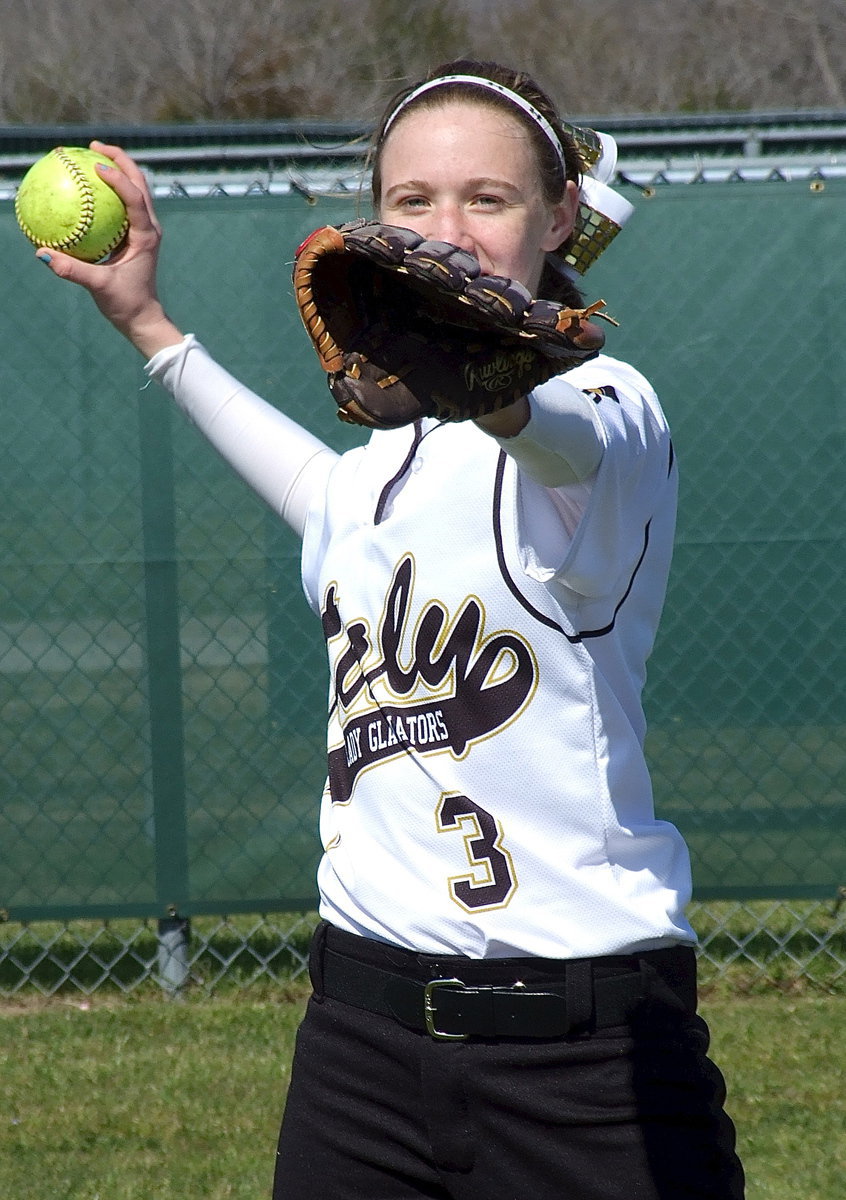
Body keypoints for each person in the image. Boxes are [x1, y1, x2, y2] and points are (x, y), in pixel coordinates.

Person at [36, 58, 745, 1200]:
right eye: (413, 201)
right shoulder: (381, 468)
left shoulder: (612, 411)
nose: (448, 230)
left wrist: (492, 377)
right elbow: (316, 497)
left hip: (584, 1058)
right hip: (359, 1048)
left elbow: (555, 430)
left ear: (560, 214)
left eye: (490, 198)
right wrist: (152, 328)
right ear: (376, 220)